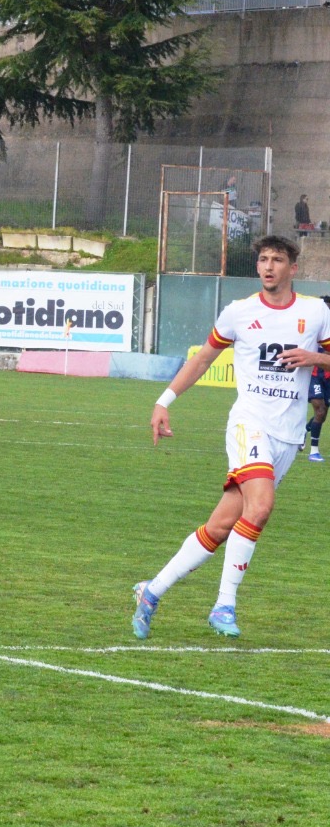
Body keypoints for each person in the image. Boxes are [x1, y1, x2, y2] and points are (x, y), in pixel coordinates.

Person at [134, 235, 330, 640]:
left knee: (222, 526)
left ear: (293, 268)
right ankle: (224, 604)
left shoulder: (315, 312)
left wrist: (316, 358)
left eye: (277, 260)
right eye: (263, 259)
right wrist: (163, 401)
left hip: (288, 435)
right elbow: (203, 359)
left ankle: (151, 591)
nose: (268, 266)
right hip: (249, 423)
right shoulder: (239, 312)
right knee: (260, 507)